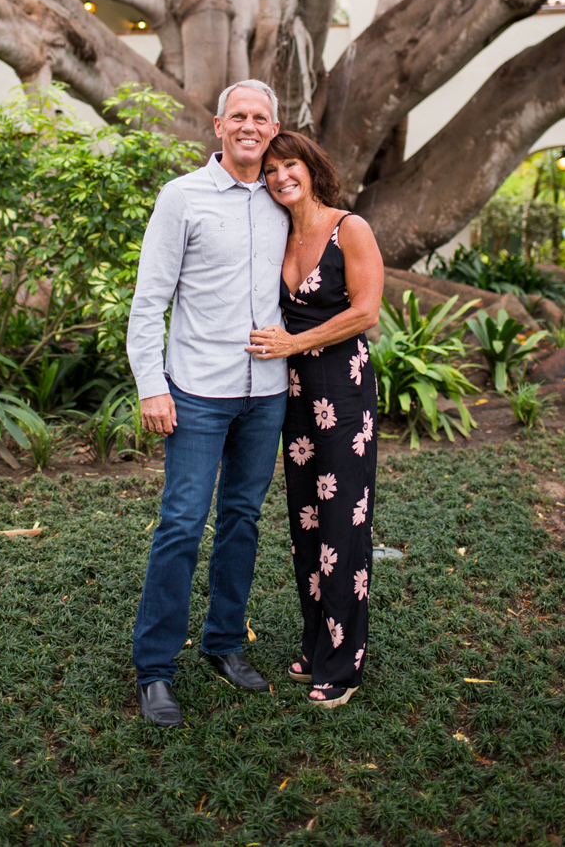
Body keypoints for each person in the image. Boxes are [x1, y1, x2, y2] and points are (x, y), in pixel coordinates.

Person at [127, 79, 290, 728]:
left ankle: (224, 644)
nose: (250, 125)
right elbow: (149, 299)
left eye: (262, 117)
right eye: (239, 115)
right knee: (182, 524)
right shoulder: (182, 197)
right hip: (196, 391)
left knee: (243, 521)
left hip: (267, 395)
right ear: (219, 126)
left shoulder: (287, 199)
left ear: (274, 130)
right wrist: (151, 383)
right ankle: (156, 669)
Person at [248, 131, 384, 709]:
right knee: (306, 524)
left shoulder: (347, 227)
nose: (281, 176)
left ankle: (344, 664)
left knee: (343, 527)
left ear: (311, 166)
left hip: (344, 394)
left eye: (290, 165)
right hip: (295, 396)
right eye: (271, 170)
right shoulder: (279, 231)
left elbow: (365, 311)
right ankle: (315, 641)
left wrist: (294, 341)